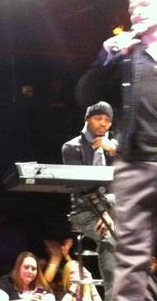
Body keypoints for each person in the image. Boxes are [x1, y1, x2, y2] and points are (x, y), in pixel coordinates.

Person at [76, 0, 157, 301]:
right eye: (132, 9)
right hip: (136, 165)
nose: (136, 13)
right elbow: (85, 96)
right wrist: (105, 58)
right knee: (132, 261)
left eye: (145, 6)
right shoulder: (126, 58)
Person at [61, 101, 117, 300]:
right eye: (98, 118)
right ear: (87, 120)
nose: (103, 123)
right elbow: (82, 187)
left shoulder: (114, 147)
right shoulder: (71, 148)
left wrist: (115, 152)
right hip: (85, 210)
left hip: (114, 208)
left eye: (107, 120)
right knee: (109, 238)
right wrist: (103, 212)